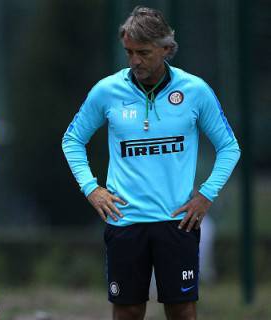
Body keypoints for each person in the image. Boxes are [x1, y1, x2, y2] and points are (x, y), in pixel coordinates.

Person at [62, 6, 240, 320]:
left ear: (166, 49)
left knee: (182, 310)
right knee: (128, 311)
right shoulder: (106, 91)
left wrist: (206, 195)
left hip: (178, 221)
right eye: (129, 52)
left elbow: (229, 147)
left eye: (143, 52)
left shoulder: (195, 91)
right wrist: (92, 189)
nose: (134, 61)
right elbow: (72, 139)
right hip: (125, 222)